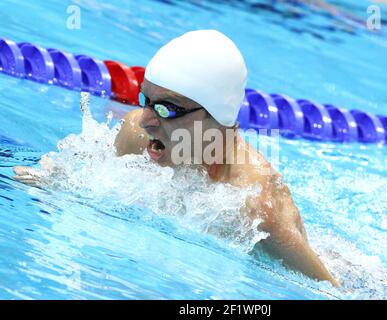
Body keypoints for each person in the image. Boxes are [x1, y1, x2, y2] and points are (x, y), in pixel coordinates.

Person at [14, 30, 338, 287]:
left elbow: (326, 289)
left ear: (219, 121)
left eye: (167, 109)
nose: (145, 120)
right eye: (145, 100)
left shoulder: (255, 203)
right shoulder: (137, 135)